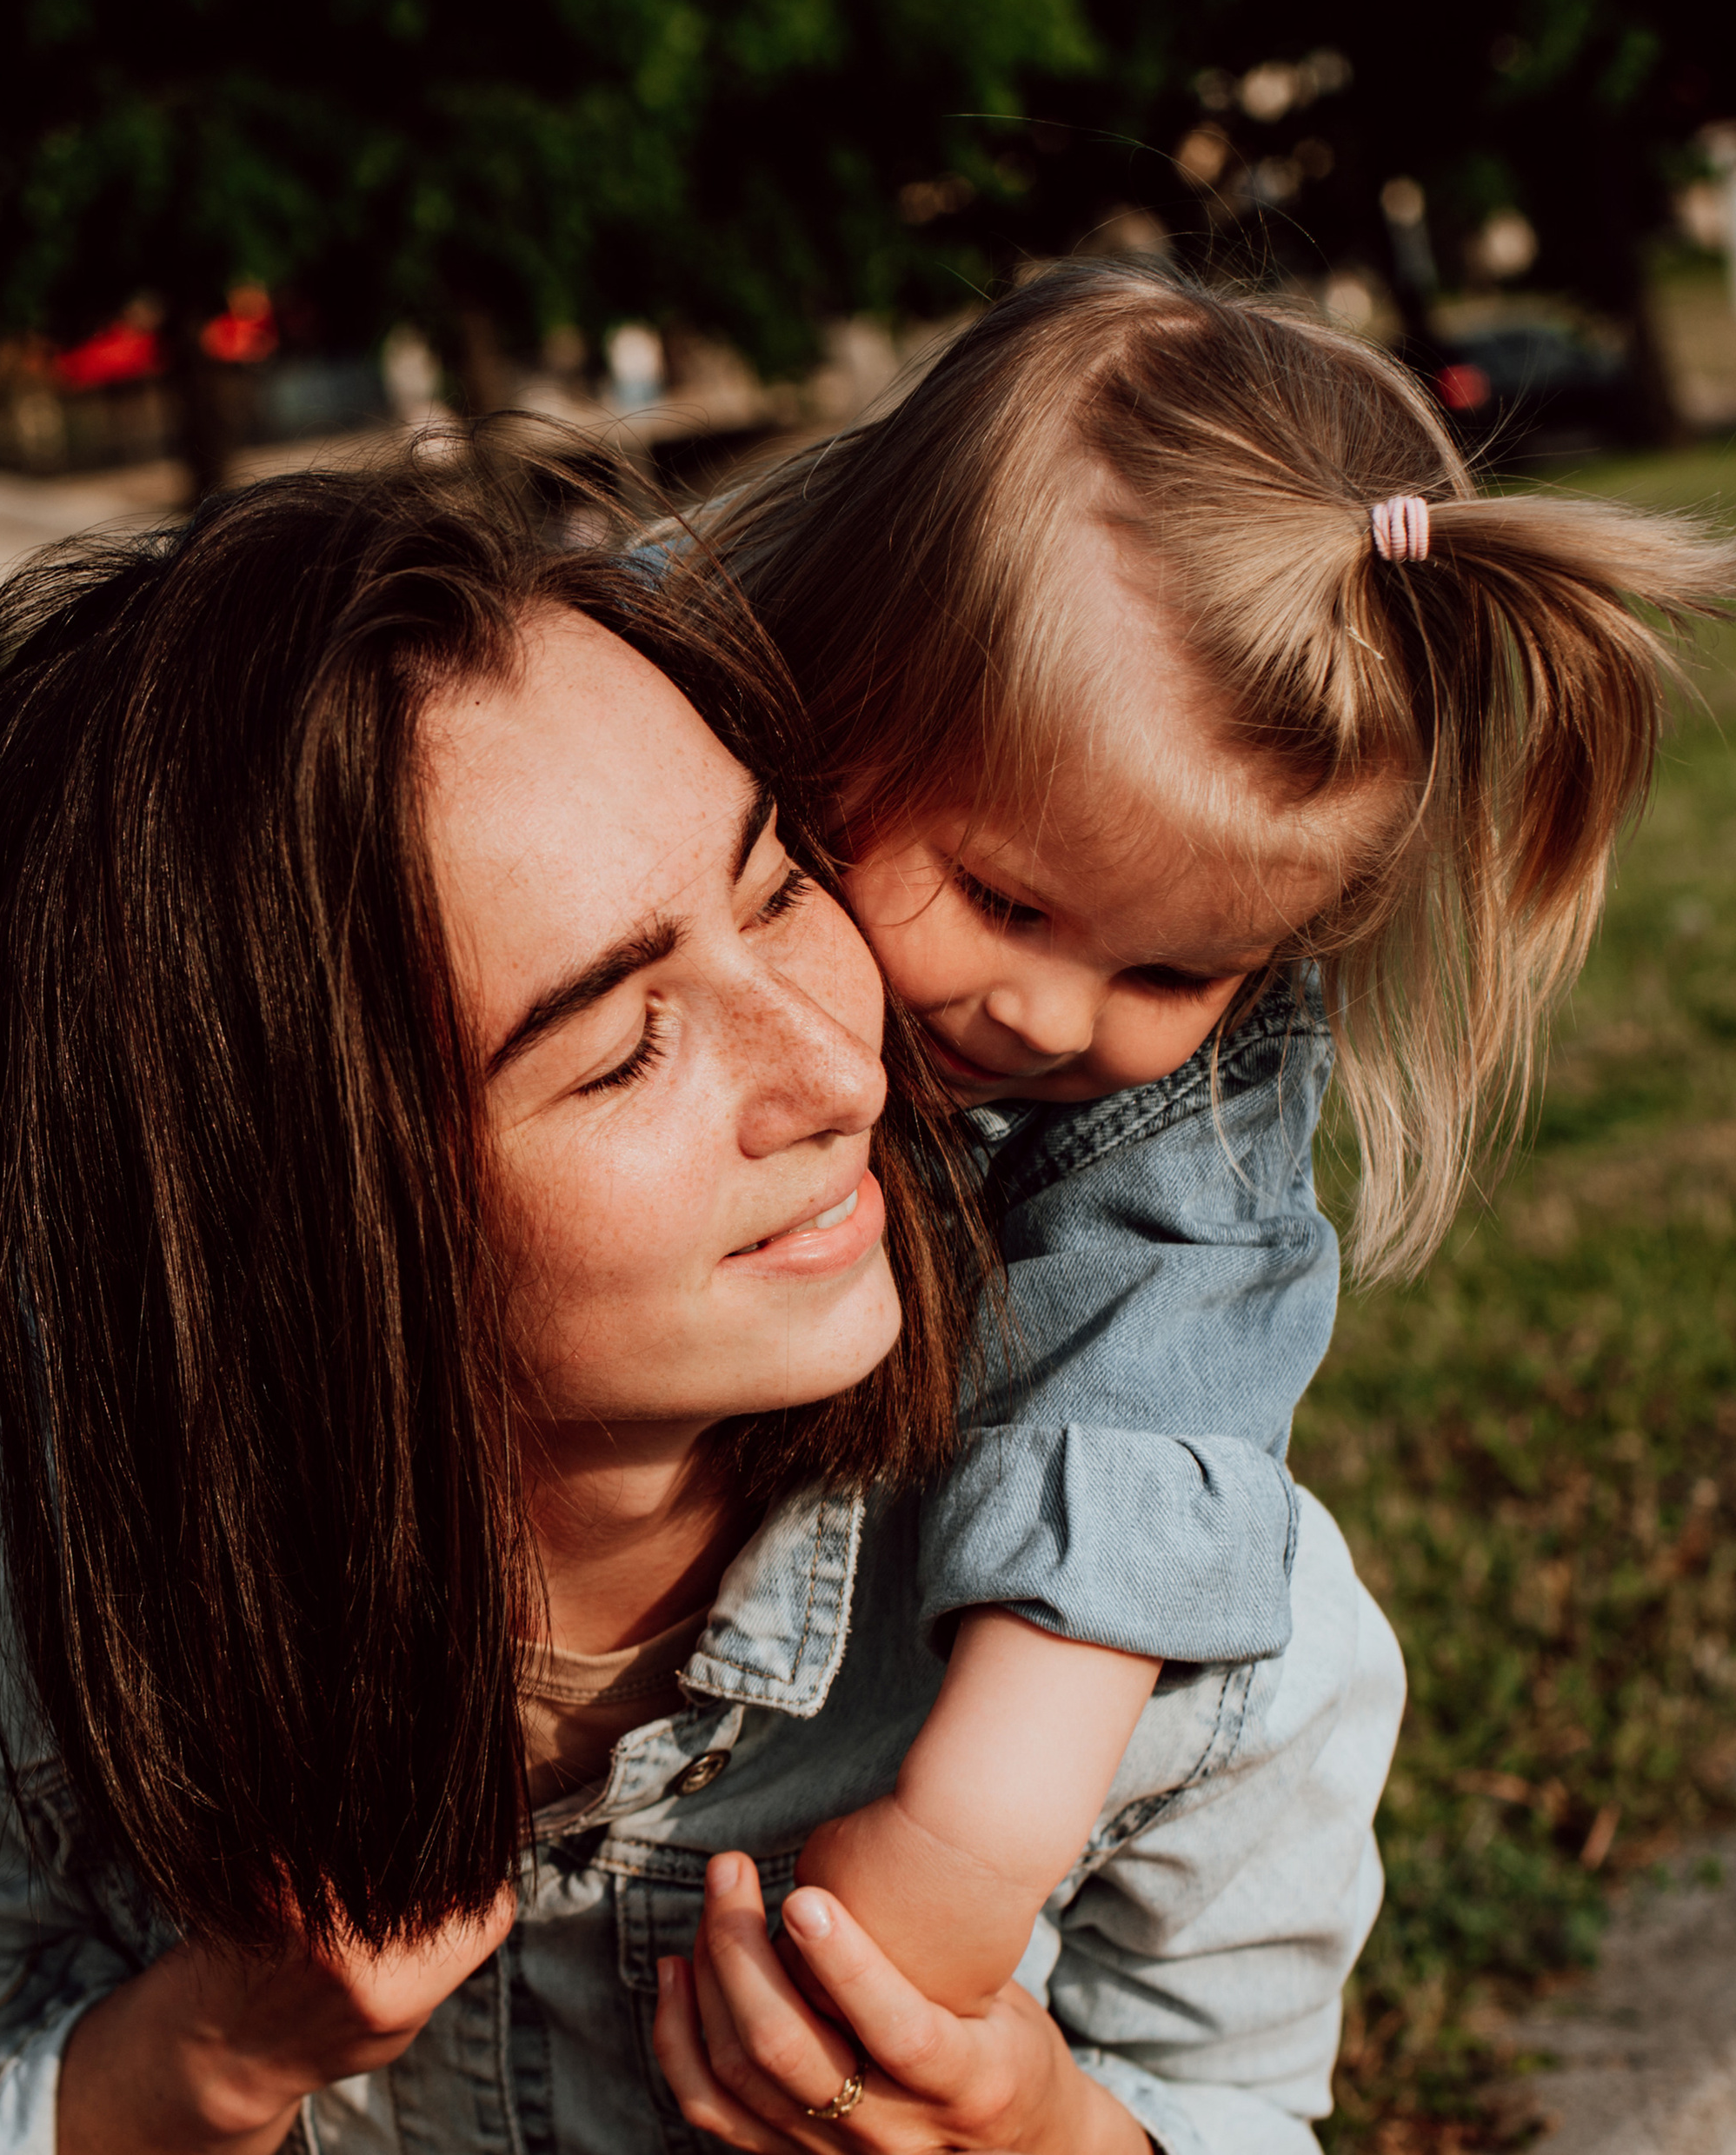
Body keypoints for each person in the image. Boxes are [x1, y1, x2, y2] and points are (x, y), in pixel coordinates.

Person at [0, 444, 1400, 2155]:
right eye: (619, 1050)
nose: (842, 1073)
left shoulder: (1150, 1618)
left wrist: (1041, 2133)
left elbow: (1232, 2097)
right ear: (294, 1219)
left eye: (777, 884)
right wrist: (212, 2050)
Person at [682, 259, 1736, 2014]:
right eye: (1001, 895)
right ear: (855, 653)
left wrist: (968, 1843)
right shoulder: (641, 719)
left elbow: (1148, 1399)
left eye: (1168, 964)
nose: (1044, 1014)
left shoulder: (1199, 1087)